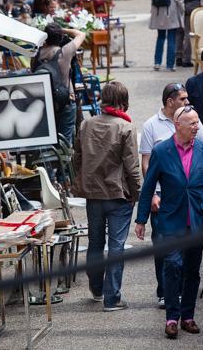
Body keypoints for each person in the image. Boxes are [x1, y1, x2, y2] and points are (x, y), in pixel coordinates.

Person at [135, 106, 203, 339]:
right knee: (173, 265)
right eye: (192, 123)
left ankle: (188, 316)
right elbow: (148, 186)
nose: (197, 127)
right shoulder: (162, 151)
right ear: (178, 126)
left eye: (197, 123)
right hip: (170, 221)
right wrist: (141, 219)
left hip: (197, 220)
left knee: (192, 271)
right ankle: (172, 318)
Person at [139, 83, 203, 308]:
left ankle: (181, 295)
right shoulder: (151, 126)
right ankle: (165, 292)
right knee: (164, 249)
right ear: (170, 101)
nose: (187, 102)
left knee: (187, 255)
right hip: (163, 198)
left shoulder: (193, 122)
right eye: (182, 99)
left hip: (189, 201)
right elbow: (146, 163)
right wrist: (153, 195)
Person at [72, 81, 141, 311]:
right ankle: (113, 298)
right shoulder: (125, 127)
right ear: (123, 102)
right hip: (118, 195)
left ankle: (97, 289)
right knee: (116, 247)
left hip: (93, 194)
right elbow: (132, 167)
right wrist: (138, 194)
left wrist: (81, 182)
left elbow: (77, 158)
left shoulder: (86, 125)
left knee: (95, 243)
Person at [31, 23, 86, 145]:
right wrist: (63, 30)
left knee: (46, 142)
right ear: (60, 37)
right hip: (64, 102)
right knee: (64, 143)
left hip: (43, 104)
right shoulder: (65, 52)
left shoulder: (36, 55)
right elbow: (81, 34)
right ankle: (63, 163)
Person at [150, 0, 185, 72]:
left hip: (159, 12)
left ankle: (157, 63)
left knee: (160, 37)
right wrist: (182, 10)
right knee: (171, 38)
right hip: (171, 11)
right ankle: (170, 64)